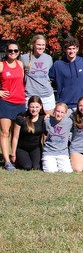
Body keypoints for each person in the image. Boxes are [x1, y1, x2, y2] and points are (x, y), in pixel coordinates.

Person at [0, 39, 26, 170]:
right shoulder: (1, 65)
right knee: (5, 133)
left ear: (18, 52)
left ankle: (14, 157)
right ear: (6, 51)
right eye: (10, 50)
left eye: (15, 50)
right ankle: (6, 162)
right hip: (5, 103)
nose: (13, 52)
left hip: (20, 102)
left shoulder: (20, 64)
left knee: (16, 134)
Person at [49, 36, 83, 110]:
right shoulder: (58, 65)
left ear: (77, 49)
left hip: (82, 105)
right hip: (64, 105)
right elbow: (48, 81)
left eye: (73, 48)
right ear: (65, 49)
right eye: (69, 49)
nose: (71, 51)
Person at [21, 34, 55, 114]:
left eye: (43, 45)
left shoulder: (48, 58)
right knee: (29, 123)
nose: (41, 47)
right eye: (38, 44)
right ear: (33, 44)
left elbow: (50, 77)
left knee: (47, 122)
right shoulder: (24, 58)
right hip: (30, 95)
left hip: (46, 95)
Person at [10, 96, 46, 170]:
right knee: (27, 167)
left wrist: (49, 116)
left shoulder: (43, 118)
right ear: (28, 106)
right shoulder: (21, 118)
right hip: (22, 148)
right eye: (31, 107)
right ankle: (20, 160)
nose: (34, 109)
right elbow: (15, 137)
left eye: (36, 107)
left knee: (37, 167)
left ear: (41, 107)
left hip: (36, 148)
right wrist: (13, 154)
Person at [42, 103, 73, 173]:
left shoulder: (69, 122)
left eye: (62, 112)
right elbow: (44, 133)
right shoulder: (47, 121)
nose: (59, 114)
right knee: (51, 171)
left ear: (66, 113)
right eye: (57, 111)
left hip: (63, 153)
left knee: (67, 171)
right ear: (54, 111)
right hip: (49, 152)